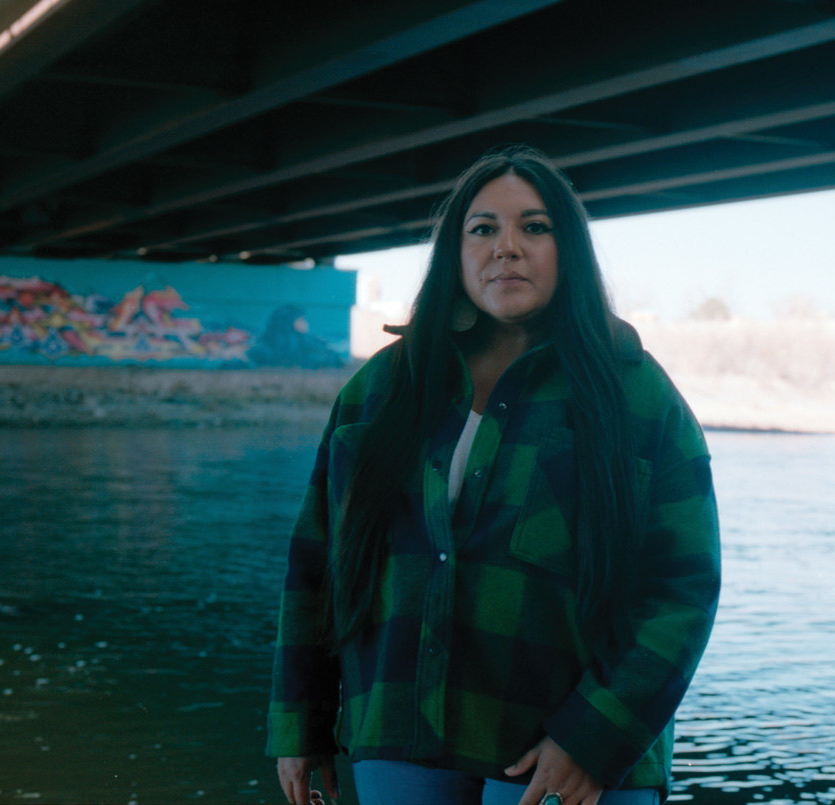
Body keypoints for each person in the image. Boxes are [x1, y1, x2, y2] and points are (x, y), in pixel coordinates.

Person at [267, 145, 721, 805]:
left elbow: (682, 586)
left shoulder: (637, 394)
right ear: (454, 252)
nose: (506, 246)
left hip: (563, 756)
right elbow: (316, 567)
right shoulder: (381, 389)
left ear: (569, 249)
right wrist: (300, 719)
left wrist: (593, 736)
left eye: (534, 227)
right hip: (400, 736)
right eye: (482, 228)